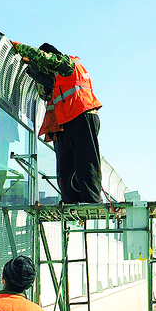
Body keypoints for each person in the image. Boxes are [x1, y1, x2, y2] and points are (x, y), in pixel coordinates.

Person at [10, 40, 102, 204]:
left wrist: (20, 48)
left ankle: (92, 200)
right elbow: (47, 92)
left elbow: (45, 58)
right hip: (68, 121)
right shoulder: (57, 78)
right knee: (66, 165)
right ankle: (70, 200)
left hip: (83, 115)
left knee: (85, 161)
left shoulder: (67, 63)